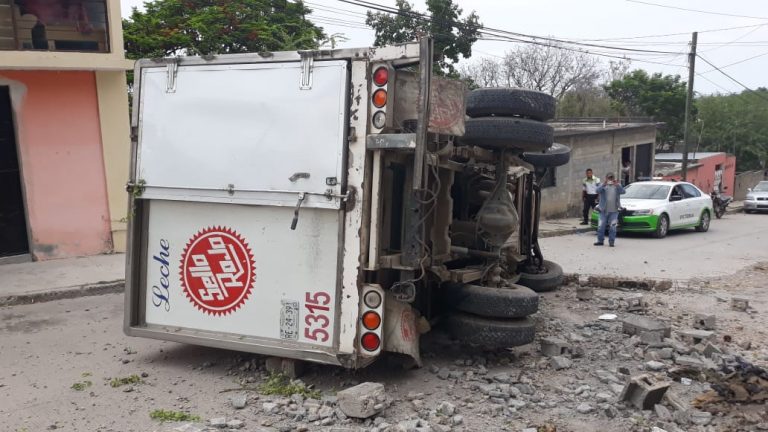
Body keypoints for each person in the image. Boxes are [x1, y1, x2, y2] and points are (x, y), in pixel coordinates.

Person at [594, 172, 625, 247]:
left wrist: (617, 185)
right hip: (603, 210)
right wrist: (604, 184)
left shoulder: (617, 186)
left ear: (614, 178)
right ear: (606, 178)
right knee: (601, 226)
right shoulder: (603, 186)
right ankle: (600, 241)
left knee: (613, 227)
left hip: (614, 211)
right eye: (609, 178)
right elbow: (597, 191)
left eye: (612, 178)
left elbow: (623, 192)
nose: (610, 179)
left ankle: (611, 242)